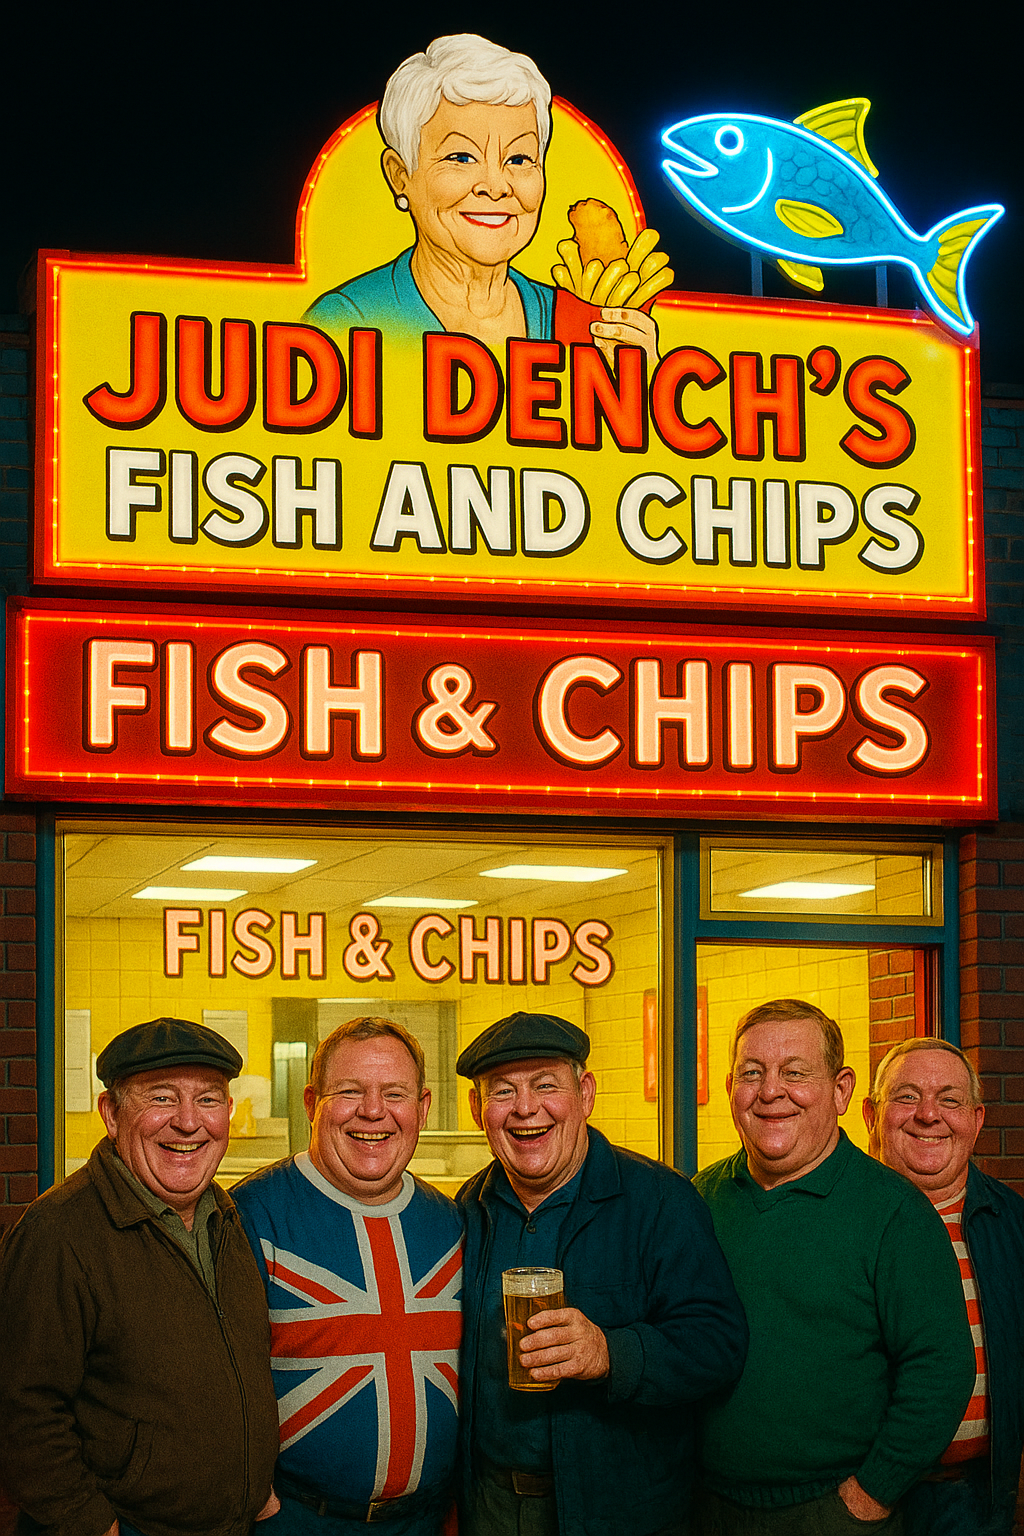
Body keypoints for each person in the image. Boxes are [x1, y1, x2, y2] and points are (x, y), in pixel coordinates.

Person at [455, 1009, 748, 1536]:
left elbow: (718, 1344)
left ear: (585, 1094)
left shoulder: (660, 1201)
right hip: (490, 1507)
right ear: (479, 1110)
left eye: (546, 1084)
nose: (525, 1108)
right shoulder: (469, 1208)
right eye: (502, 1091)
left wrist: (611, 1353)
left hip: (621, 1512)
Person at [693, 998, 977, 1536]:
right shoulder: (699, 1200)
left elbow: (941, 1371)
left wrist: (871, 1496)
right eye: (752, 1073)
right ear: (730, 1088)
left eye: (795, 1073)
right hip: (705, 1507)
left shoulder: (894, 1213)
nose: (771, 1092)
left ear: (842, 1091)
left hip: (834, 1513)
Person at [0, 1016, 280, 1536]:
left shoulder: (228, 1218)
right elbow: (22, 1412)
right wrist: (93, 1525)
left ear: (228, 1113)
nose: (188, 1122)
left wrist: (256, 1487)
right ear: (111, 1114)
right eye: (161, 1098)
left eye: (207, 1099)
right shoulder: (57, 1232)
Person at [232, 1016, 462, 1536]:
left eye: (394, 1093)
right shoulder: (250, 1217)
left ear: (423, 1107)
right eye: (350, 1091)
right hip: (295, 1522)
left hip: (426, 1523)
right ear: (312, 1103)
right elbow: (208, 1384)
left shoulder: (452, 1224)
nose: (373, 1112)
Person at [304, 34, 658, 360]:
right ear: (400, 176)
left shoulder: (579, 325)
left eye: (519, 159)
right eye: (461, 157)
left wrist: (644, 384)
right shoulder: (348, 321)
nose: (496, 185)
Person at [864, 1037, 1024, 1536]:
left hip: (976, 1497)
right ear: (871, 1115)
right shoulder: (839, 1221)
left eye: (949, 1100)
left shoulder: (1013, 1225)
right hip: (854, 1493)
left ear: (976, 1120)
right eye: (907, 1097)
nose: (928, 1115)